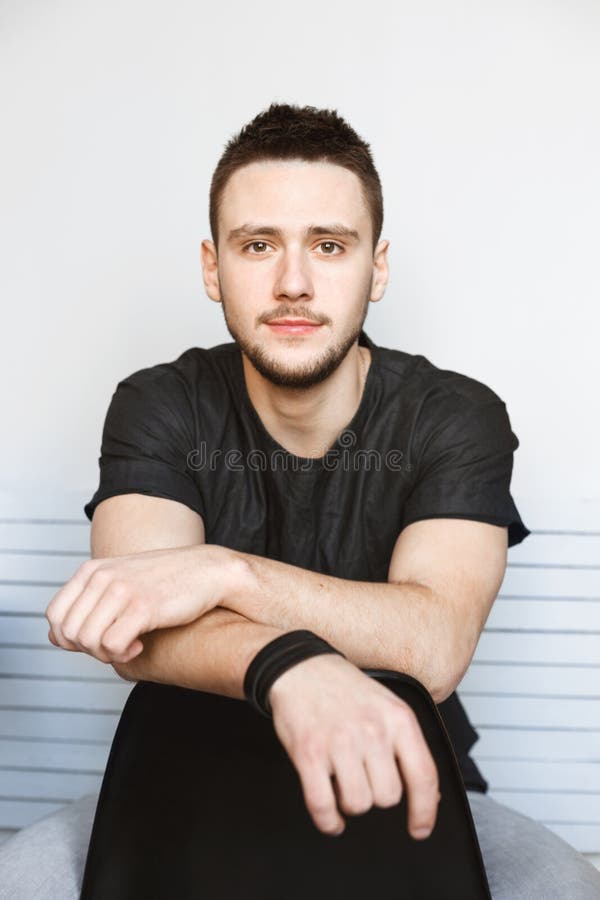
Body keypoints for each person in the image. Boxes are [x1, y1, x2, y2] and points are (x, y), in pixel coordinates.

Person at [1, 103, 599, 899]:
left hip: (399, 776)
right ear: (213, 267)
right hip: (184, 774)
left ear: (377, 268)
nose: (293, 283)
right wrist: (292, 666)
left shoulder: (455, 414)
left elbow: (435, 643)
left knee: (565, 886)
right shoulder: (159, 403)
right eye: (258, 246)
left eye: (328, 245)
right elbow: (130, 626)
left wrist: (224, 575)